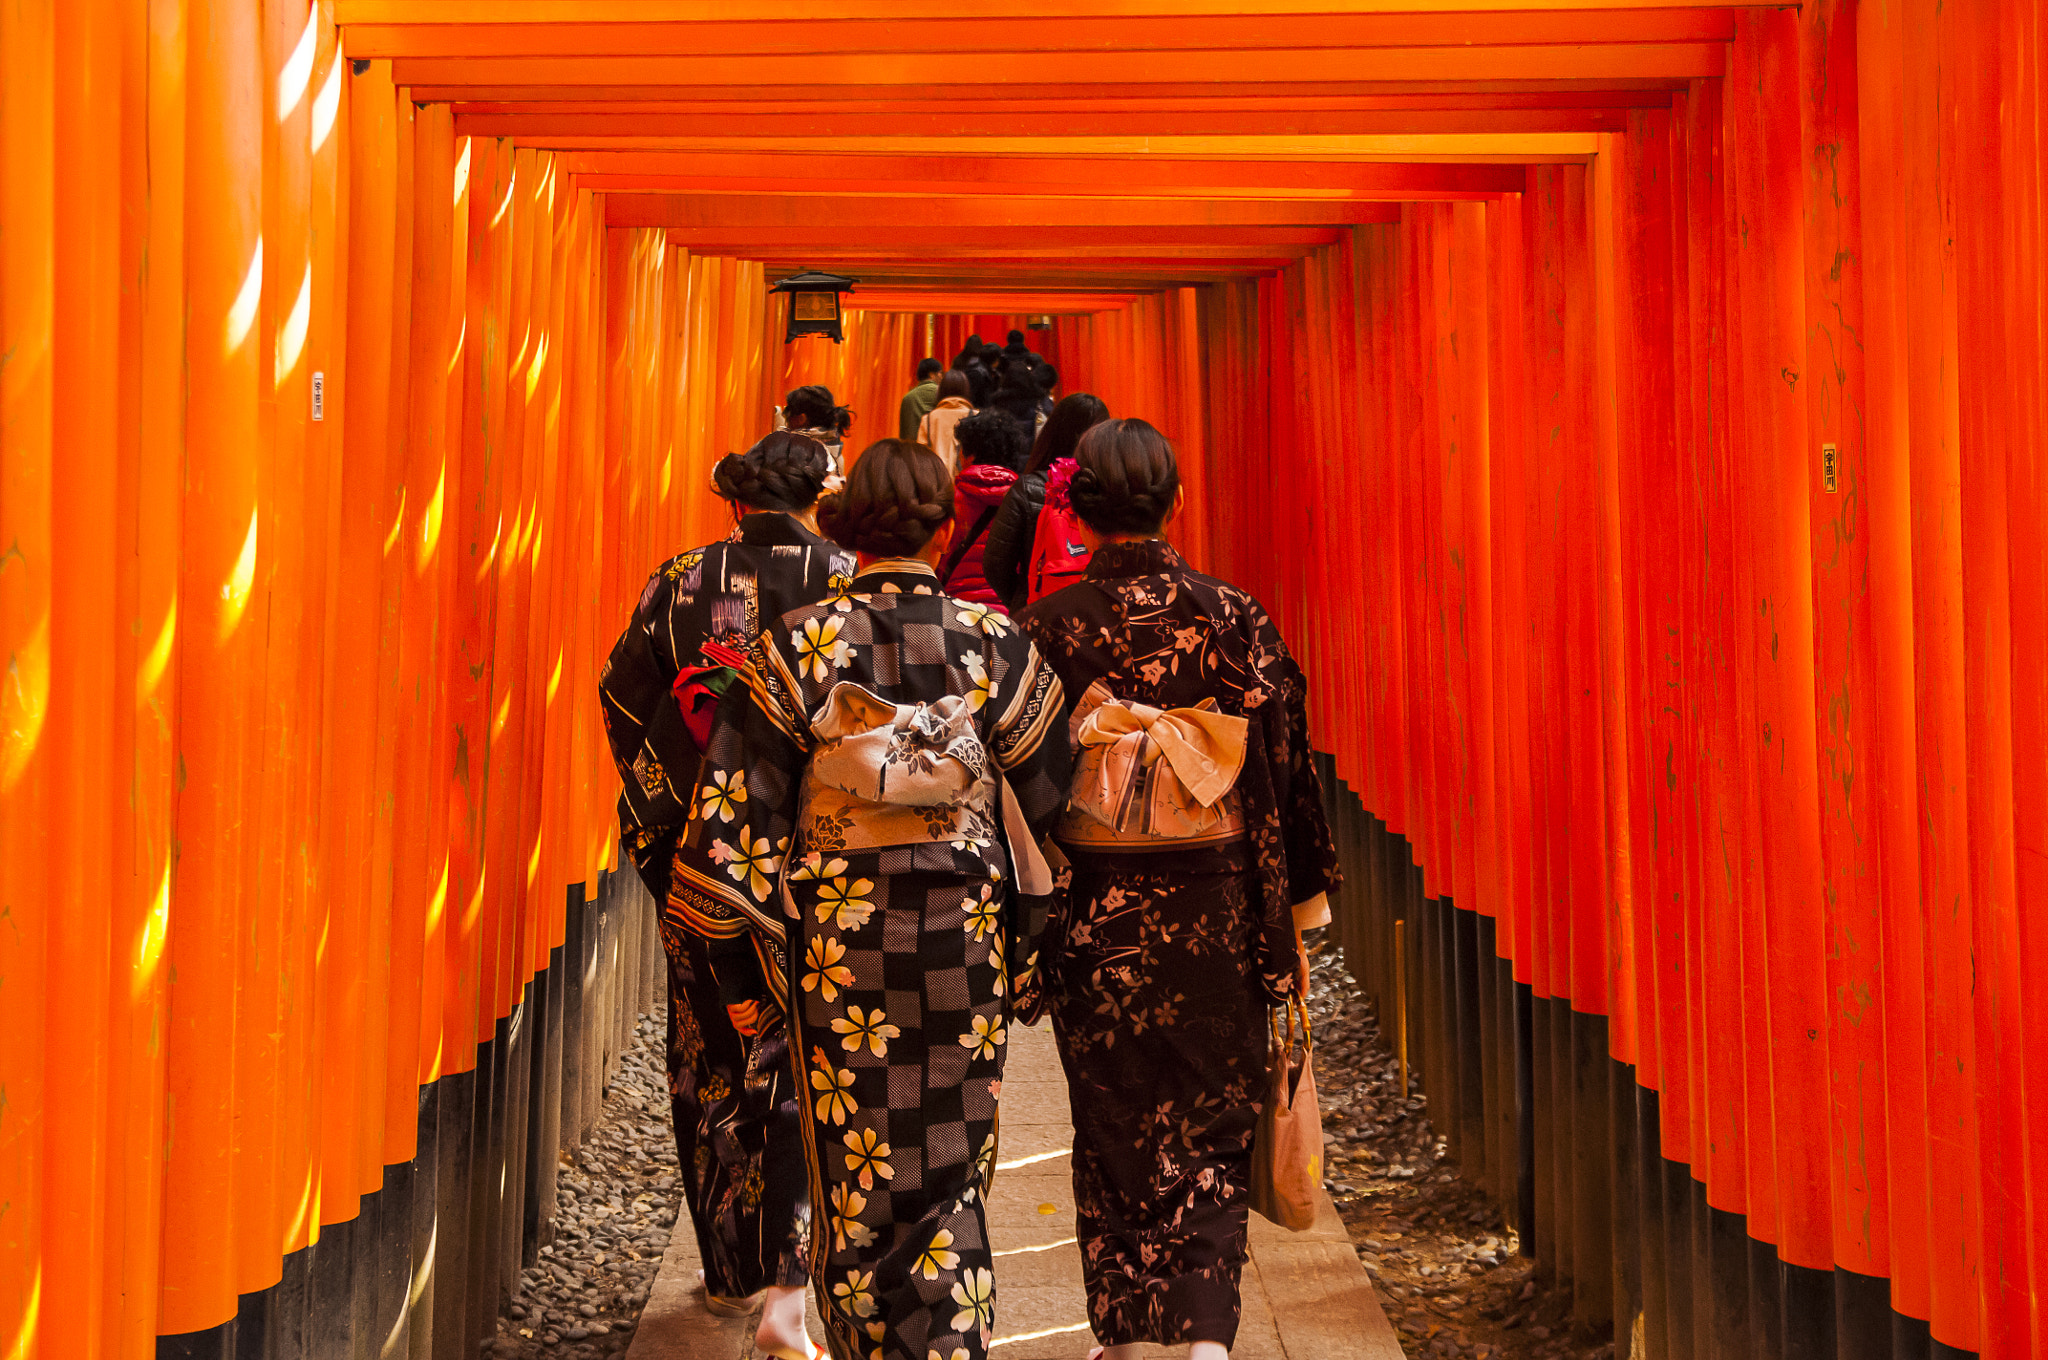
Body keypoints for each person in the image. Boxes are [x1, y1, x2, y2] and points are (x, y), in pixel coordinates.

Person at [677, 439, 1072, 1360]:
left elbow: (737, 815)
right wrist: (1038, 928)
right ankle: (949, 1339)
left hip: (838, 938)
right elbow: (1057, 792)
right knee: (951, 1161)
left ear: (849, 527)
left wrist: (743, 964)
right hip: (963, 934)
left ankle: (867, 1340)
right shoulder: (992, 640)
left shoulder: (797, 644)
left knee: (854, 1156)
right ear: (942, 530)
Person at [1017, 419, 1341, 1360]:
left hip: (1095, 911)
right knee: (1209, 1123)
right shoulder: (1235, 616)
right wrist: (1299, 902)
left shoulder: (1045, 629)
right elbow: (1285, 759)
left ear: (1075, 512)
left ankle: (1121, 1337)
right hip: (1218, 905)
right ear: (1178, 502)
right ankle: (1201, 1337)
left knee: (1110, 1113)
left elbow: (1019, 778)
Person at [598, 431, 855, 1360]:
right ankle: (796, 1271)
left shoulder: (680, 579)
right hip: (824, 857)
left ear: (736, 501)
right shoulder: (852, 577)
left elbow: (623, 696)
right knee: (810, 1046)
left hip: (703, 862)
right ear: (818, 497)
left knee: (710, 1045)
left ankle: (729, 1266)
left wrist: (666, 816)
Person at [983, 393, 1110, 612]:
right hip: (1101, 613)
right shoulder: (1113, 489)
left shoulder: (1028, 489)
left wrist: (1025, 598)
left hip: (1039, 612)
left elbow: (995, 564)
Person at [938, 410, 1032, 612]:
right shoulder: (1026, 502)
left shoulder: (948, 500)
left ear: (968, 455)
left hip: (954, 612)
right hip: (1009, 615)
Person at [783, 384, 853, 481]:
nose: (786, 421)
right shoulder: (835, 449)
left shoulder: (798, 454)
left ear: (801, 419)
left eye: (788, 414)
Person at [916, 369, 976, 473]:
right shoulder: (976, 416)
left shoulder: (928, 419)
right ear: (966, 389)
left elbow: (921, 456)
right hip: (966, 482)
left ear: (941, 390)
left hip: (937, 482)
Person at [899, 357, 943, 441]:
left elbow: (903, 433)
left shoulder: (907, 398)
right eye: (940, 373)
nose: (941, 377)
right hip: (937, 450)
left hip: (914, 450)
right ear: (932, 374)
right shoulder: (944, 394)